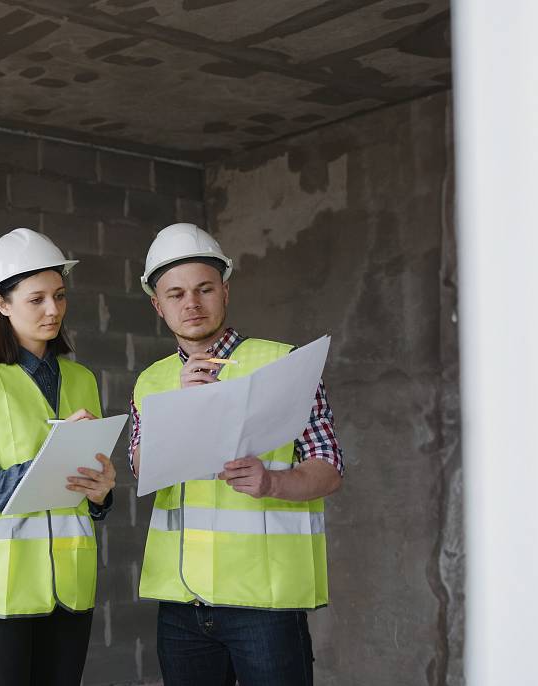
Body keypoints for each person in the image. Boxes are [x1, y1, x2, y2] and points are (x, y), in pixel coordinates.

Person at [128, 223, 344, 686]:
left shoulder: (284, 363)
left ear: (225, 291)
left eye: (204, 289)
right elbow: (143, 471)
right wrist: (180, 410)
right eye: (176, 294)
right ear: (157, 305)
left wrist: (272, 482)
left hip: (263, 604)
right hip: (183, 603)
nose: (191, 303)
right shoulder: (151, 382)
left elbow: (328, 468)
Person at [0, 228, 117, 686]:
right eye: (36, 299)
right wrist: (50, 462)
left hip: (69, 589)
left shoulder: (82, 379)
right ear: (1, 303)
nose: (53, 310)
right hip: (0, 591)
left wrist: (101, 494)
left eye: (59, 296)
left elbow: (84, 494)